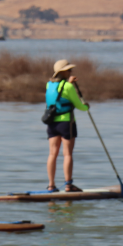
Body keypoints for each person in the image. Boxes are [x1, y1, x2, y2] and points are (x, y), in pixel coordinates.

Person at [46, 59, 89, 193]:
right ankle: (68, 186)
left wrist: (68, 83)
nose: (71, 71)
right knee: (67, 154)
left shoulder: (48, 85)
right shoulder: (69, 87)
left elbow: (59, 93)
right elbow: (80, 106)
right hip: (66, 123)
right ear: (64, 72)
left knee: (52, 154)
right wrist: (86, 106)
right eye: (69, 70)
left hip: (52, 123)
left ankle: (51, 185)